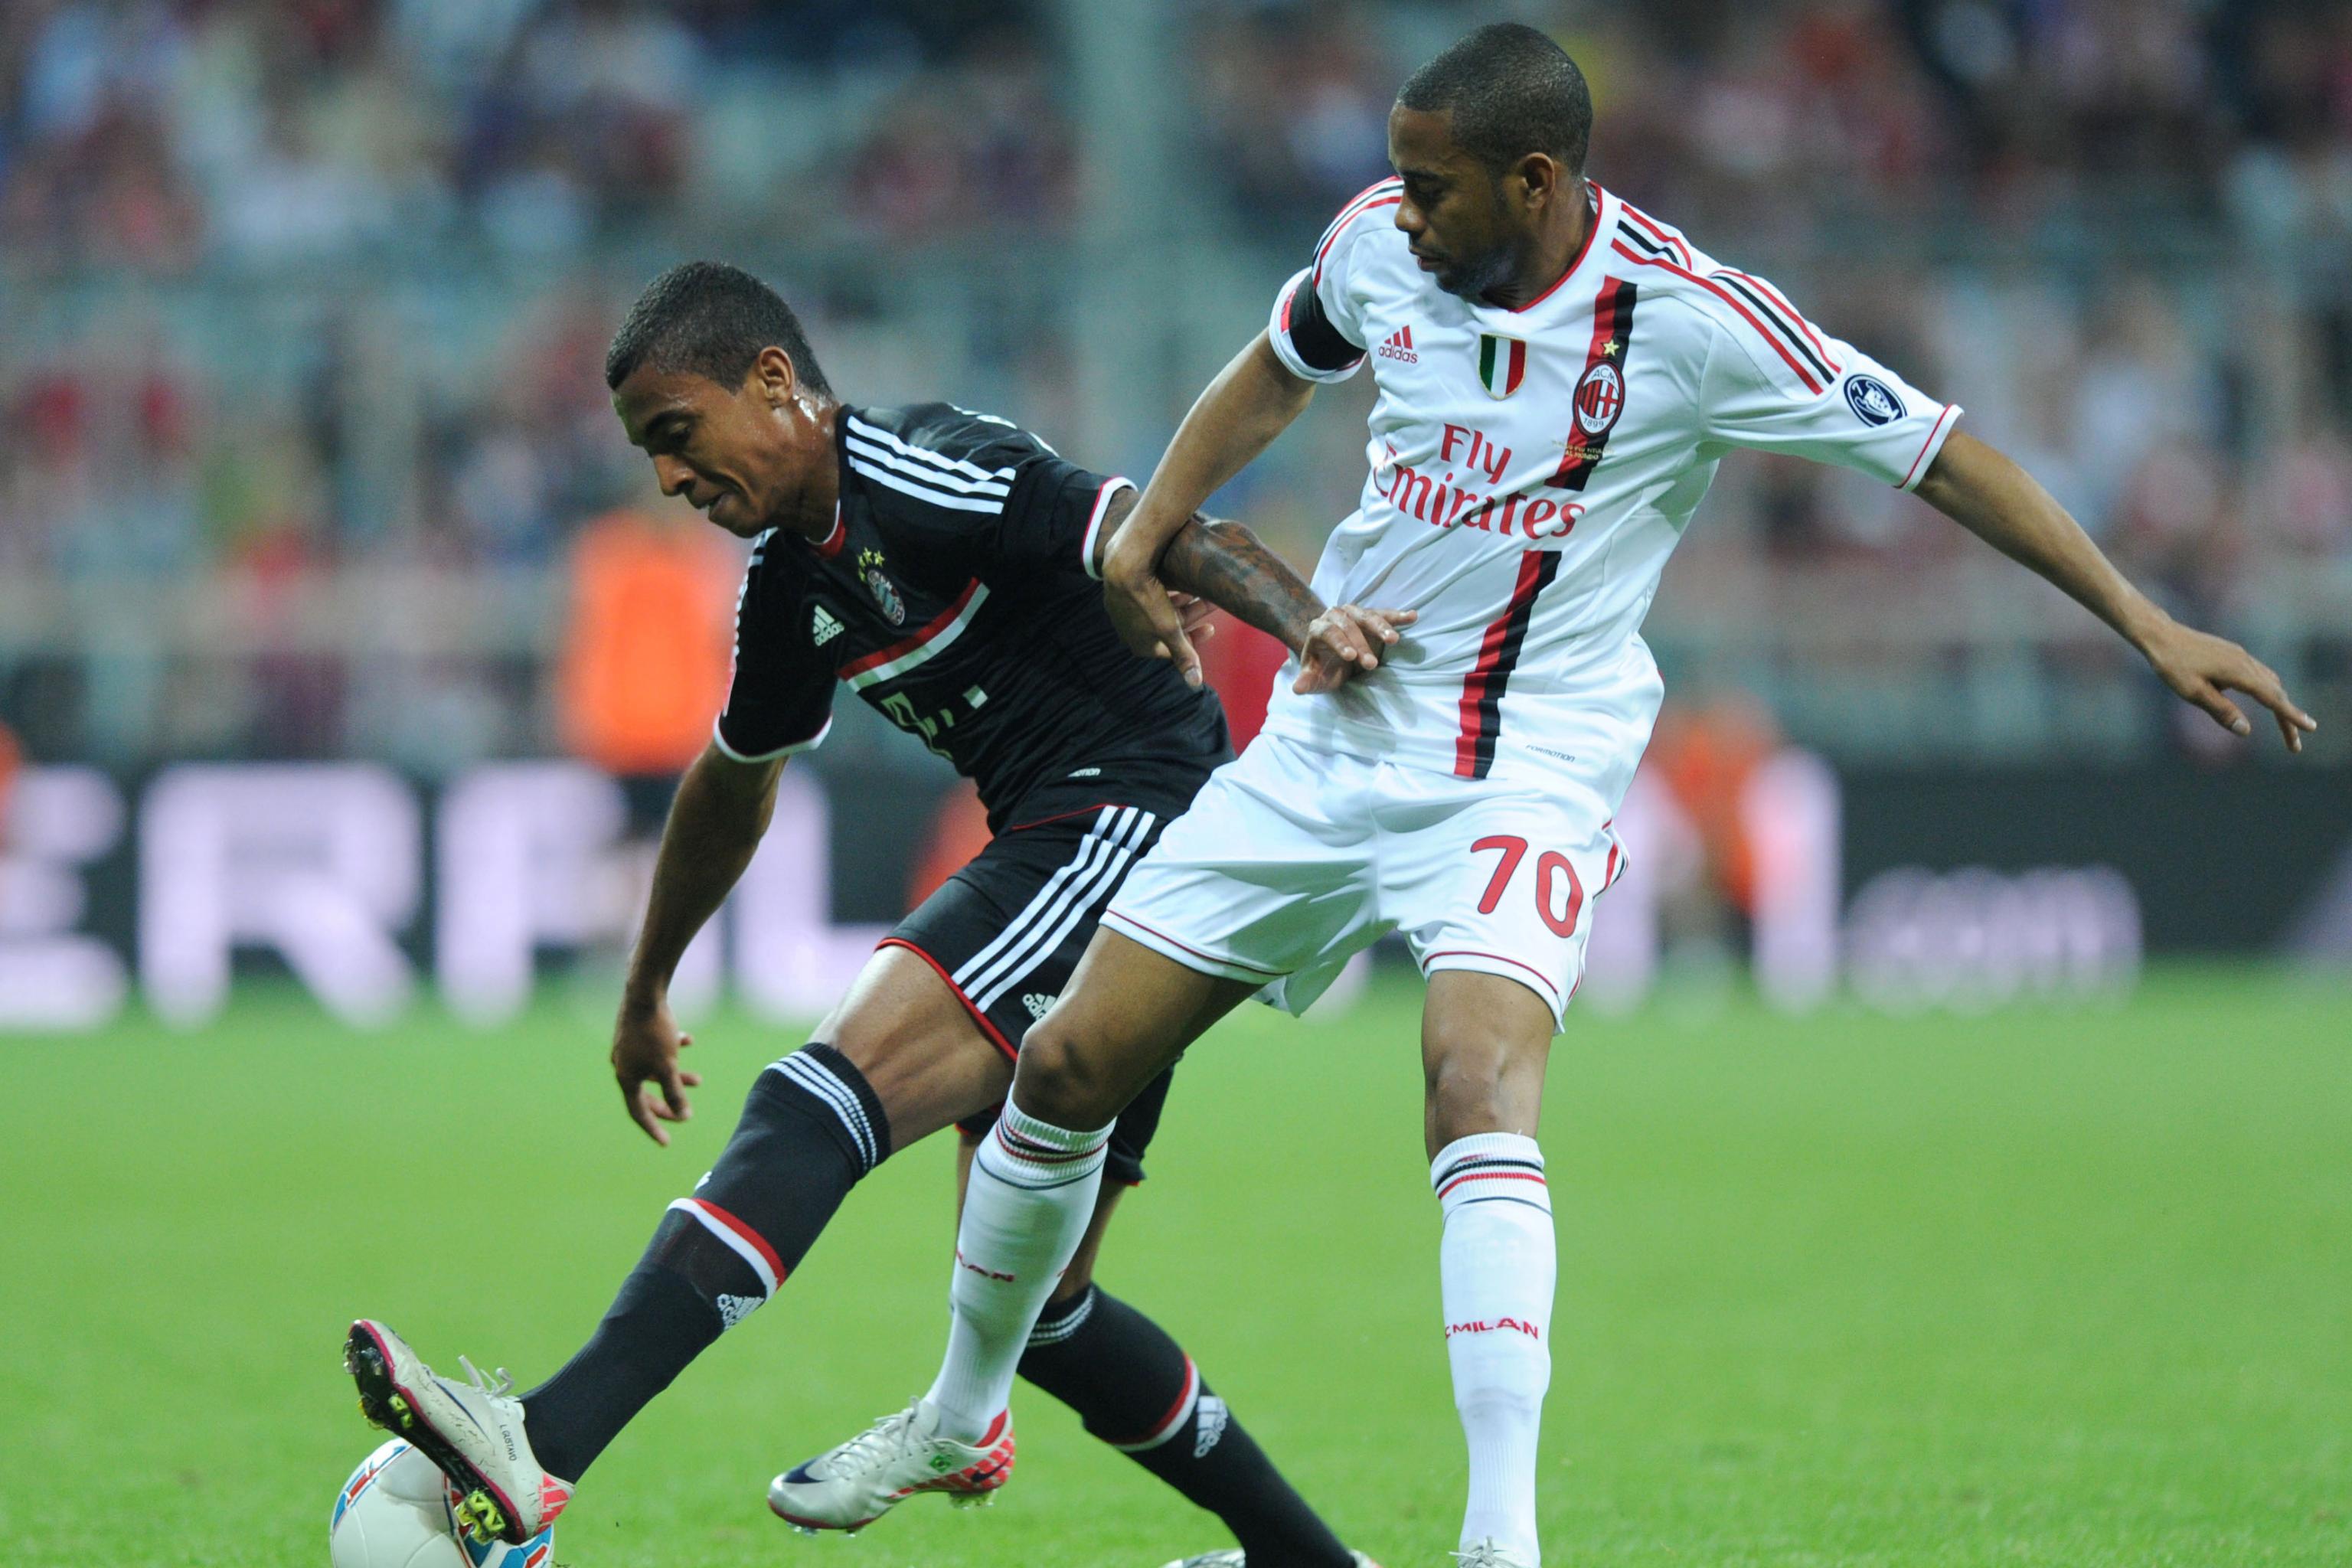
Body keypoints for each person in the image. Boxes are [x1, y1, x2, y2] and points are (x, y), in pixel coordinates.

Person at [779, 24, 2318, 1568]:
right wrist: (1150, 528)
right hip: (1337, 733)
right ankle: (964, 1405)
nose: (1402, 208)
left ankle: (1499, 1545)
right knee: (1062, 1067)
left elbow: (1941, 455)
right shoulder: (1382, 248)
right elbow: (1272, 371)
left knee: (1475, 1079)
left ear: (1535, 180)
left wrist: (2148, 622)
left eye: (1433, 187)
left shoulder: (1693, 320)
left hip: (1529, 759)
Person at [345, 260, 1411, 1568]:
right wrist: (644, 987)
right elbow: (732, 789)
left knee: (820, 1097)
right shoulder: (793, 587)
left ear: (777, 385)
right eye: (647, 456)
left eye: (677, 436)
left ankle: (542, 1444)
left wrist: (1309, 623)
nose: (669, 480)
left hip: (1142, 816)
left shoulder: (921, 471)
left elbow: (1167, 531)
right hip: (1073, 830)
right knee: (1051, 1306)